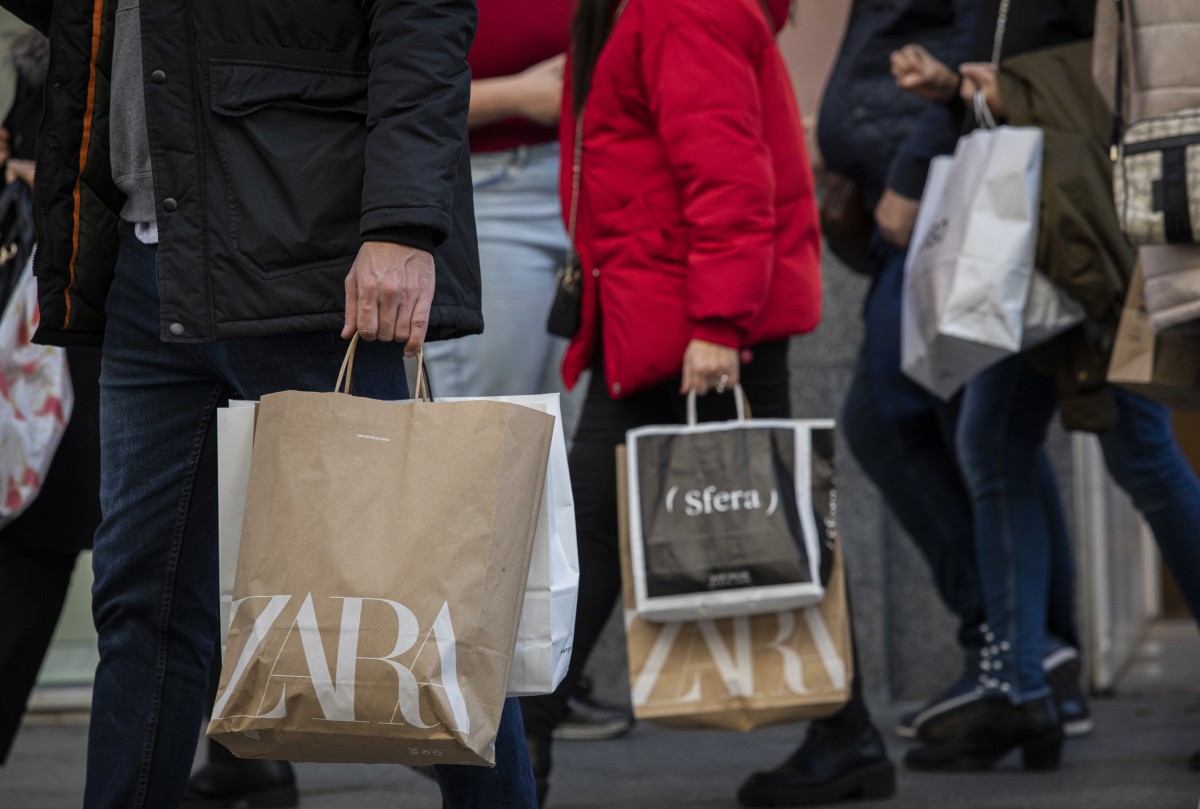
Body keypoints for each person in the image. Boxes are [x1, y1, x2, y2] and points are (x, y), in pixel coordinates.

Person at [0, 1, 539, 807]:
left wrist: (401, 223)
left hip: (309, 253)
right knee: (139, 601)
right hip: (149, 262)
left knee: (420, 594)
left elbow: (421, 16)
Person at [519, 1, 897, 806]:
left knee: (598, 524)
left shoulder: (679, 8)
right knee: (771, 513)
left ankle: (522, 742)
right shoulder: (634, 9)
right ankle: (847, 730)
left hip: (697, 320)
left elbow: (730, 171)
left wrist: (718, 324)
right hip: (662, 312)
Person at [894, 0, 1200, 771]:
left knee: (1141, 455)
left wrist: (1008, 91)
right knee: (992, 445)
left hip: (1087, 222)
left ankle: (1022, 687)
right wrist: (953, 86)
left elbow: (1136, 66)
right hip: (1019, 228)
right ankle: (1021, 690)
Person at [826, 0, 1094, 746]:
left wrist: (913, 159)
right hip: (965, 194)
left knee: (1005, 436)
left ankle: (1021, 657)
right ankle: (1025, 662)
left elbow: (1042, 68)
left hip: (994, 196)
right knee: (990, 436)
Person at [0, 27, 103, 768]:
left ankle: (249, 744)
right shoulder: (46, 40)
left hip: (92, 282)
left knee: (47, 519)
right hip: (54, 285)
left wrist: (30, 170)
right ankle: (247, 752)